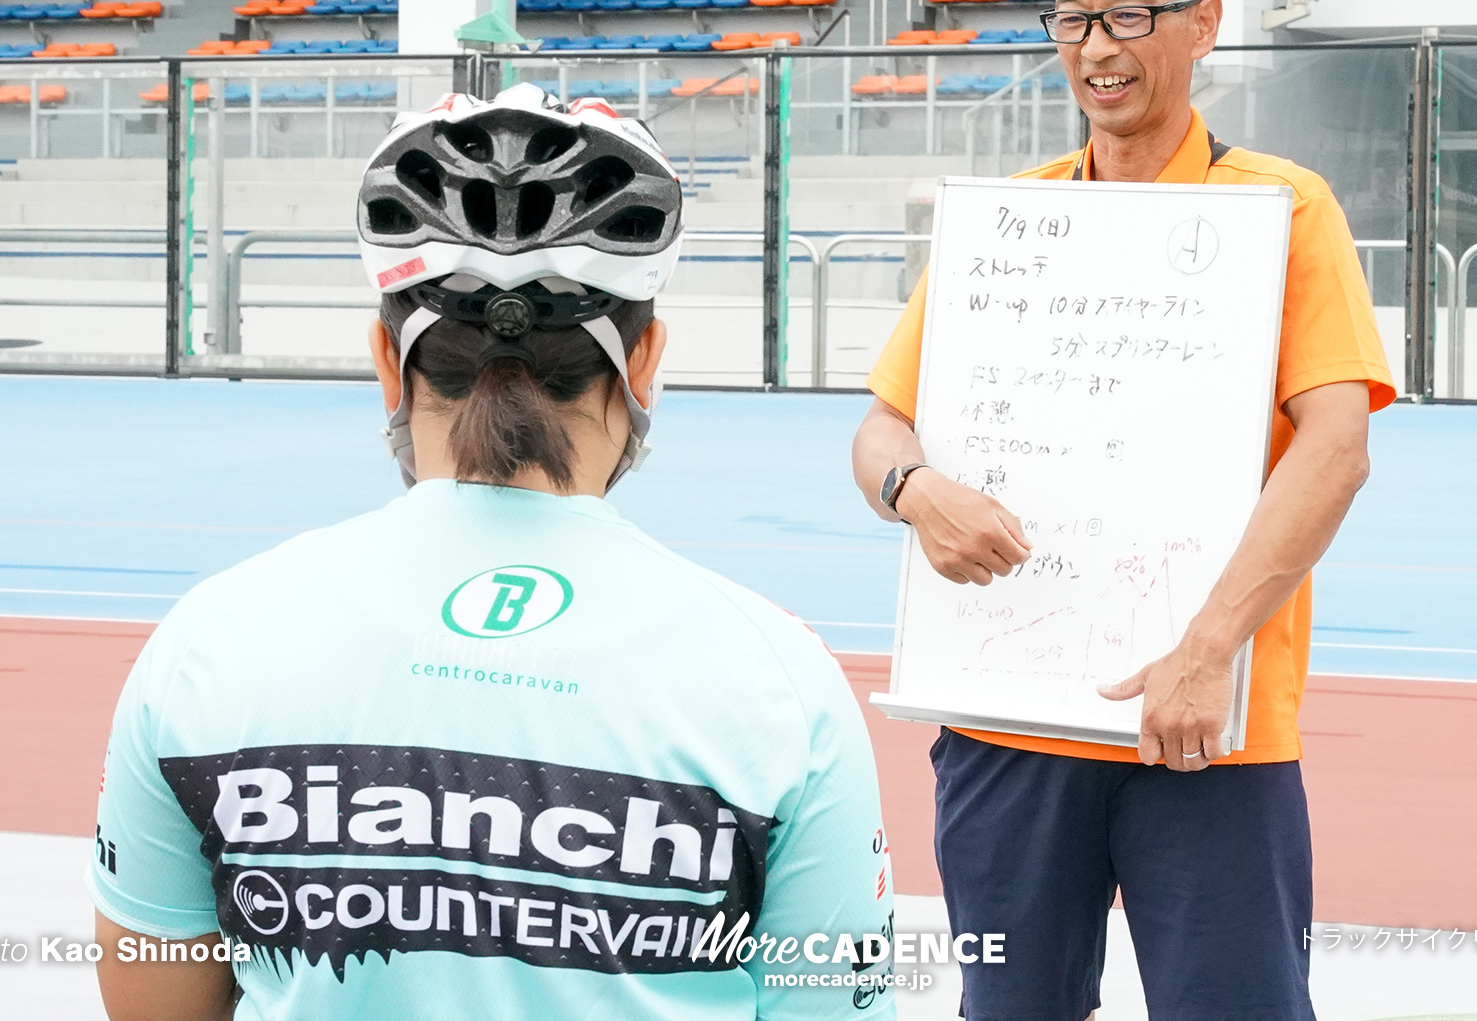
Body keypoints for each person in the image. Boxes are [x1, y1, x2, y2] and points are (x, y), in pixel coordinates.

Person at [91, 85, 896, 1021]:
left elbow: (154, 1003)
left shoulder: (209, 641)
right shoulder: (777, 679)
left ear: (390, 364)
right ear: (642, 365)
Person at [850, 0, 1395, 1020]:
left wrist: (1204, 650)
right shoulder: (1012, 219)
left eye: (1130, 16)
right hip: (1004, 718)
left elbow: (1335, 449)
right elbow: (878, 432)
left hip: (1203, 725)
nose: (1097, 48)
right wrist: (915, 491)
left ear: (1203, 27)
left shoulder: (1280, 208)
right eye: (1071, 19)